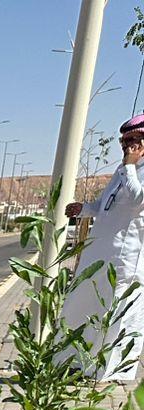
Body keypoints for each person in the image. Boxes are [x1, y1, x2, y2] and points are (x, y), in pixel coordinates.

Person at [63, 114, 144, 383]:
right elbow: (104, 205)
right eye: (123, 141)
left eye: (131, 140)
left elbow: (137, 201)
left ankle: (106, 368)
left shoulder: (132, 169)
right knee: (84, 300)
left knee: (115, 309)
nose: (126, 146)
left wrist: (130, 167)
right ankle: (74, 359)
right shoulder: (123, 170)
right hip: (100, 252)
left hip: (126, 259)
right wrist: (84, 208)